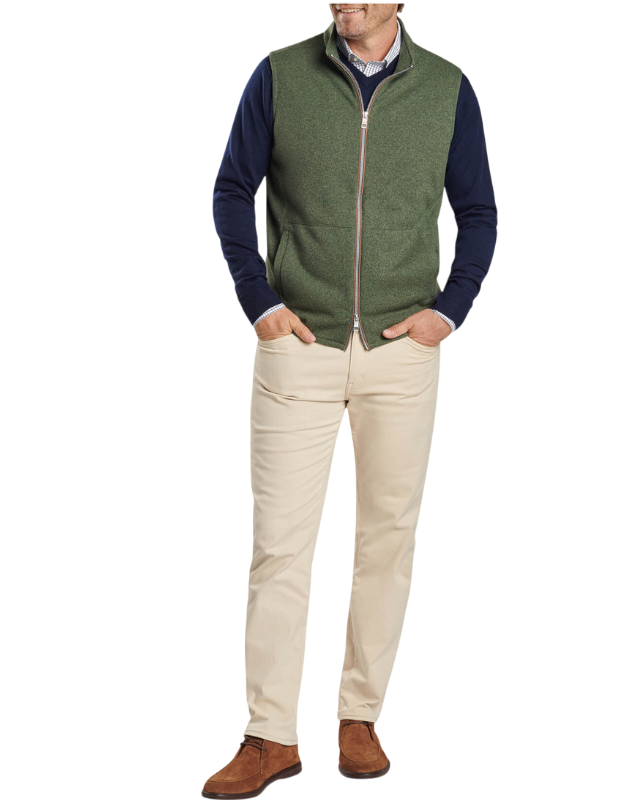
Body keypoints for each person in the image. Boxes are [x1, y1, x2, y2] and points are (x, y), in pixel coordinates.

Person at [207, 3, 497, 796]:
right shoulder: (279, 74)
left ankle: (358, 716)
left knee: (387, 541)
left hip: (403, 350)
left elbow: (477, 210)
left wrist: (449, 312)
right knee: (279, 546)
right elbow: (232, 188)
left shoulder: (446, 88)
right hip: (296, 344)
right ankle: (270, 733)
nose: (350, 1)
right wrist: (260, 302)